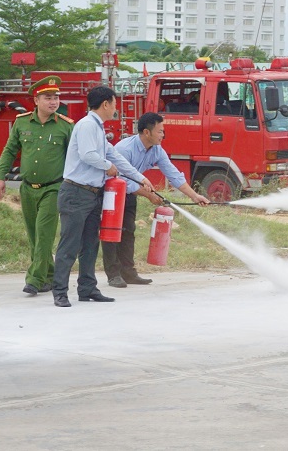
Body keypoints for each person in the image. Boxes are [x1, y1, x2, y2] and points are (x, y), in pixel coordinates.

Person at [51, 86, 153, 308]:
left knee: (90, 244)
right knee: (70, 245)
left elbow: (115, 156)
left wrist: (140, 178)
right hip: (76, 193)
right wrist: (108, 166)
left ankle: (87, 288)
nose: (116, 108)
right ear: (105, 104)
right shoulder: (87, 125)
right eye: (114, 104)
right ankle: (59, 291)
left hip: (92, 194)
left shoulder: (98, 128)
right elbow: (88, 155)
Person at [103, 111, 209, 288]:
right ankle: (113, 274)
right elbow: (121, 179)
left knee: (128, 231)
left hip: (130, 194)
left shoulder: (157, 150)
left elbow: (174, 175)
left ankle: (128, 273)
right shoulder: (124, 149)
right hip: (112, 192)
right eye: (160, 131)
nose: (163, 135)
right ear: (147, 132)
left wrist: (195, 196)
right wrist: (149, 194)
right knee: (112, 232)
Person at [0, 77, 74, 296]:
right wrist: (0, 177)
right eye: (48, 97)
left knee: (44, 234)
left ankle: (34, 280)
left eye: (56, 97)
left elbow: (74, 158)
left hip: (54, 188)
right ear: (36, 100)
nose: (53, 102)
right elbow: (10, 150)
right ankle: (49, 275)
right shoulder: (22, 123)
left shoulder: (66, 126)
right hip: (28, 188)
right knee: (34, 235)